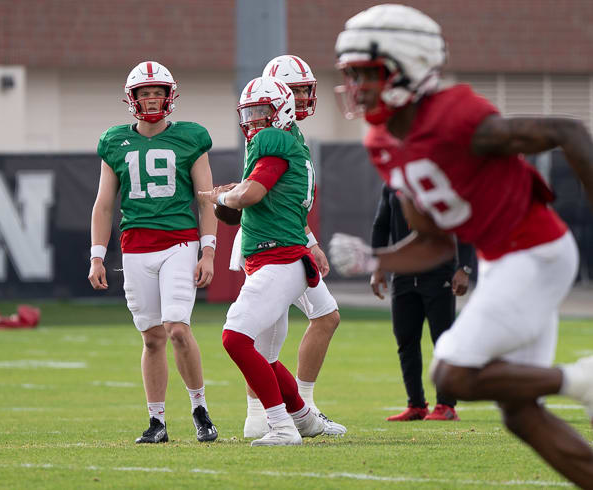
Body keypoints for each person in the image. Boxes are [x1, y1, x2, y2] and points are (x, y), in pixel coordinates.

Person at [329, 4, 593, 486]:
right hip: (505, 259)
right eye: (351, 75)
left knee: (451, 375)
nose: (356, 87)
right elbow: (432, 242)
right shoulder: (381, 141)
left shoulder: (455, 115)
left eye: (367, 73)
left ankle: (581, 381)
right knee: (519, 413)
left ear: (407, 66)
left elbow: (567, 131)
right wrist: (378, 258)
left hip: (534, 252)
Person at [88, 61, 218, 444]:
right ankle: (157, 421)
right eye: (144, 93)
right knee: (151, 338)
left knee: (177, 328)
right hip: (134, 247)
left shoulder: (191, 137)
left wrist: (207, 251)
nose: (151, 100)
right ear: (132, 99)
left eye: (157, 93)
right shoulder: (114, 140)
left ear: (169, 96)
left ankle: (199, 408)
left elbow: (206, 200)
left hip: (179, 241)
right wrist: (97, 255)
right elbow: (104, 205)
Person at [199, 76, 326, 446]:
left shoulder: (272, 142)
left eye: (261, 112)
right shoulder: (286, 144)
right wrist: (226, 195)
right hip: (282, 256)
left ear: (280, 111)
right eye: (250, 112)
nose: (254, 121)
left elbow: (252, 194)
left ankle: (281, 426)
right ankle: (302, 417)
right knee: (264, 354)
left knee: (235, 339)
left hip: (279, 258)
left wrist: (222, 199)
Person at [236, 54, 345, 438]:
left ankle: (295, 410)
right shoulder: (273, 135)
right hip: (271, 244)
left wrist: (310, 240)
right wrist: (227, 199)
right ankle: (271, 412)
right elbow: (260, 193)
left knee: (313, 319)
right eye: (293, 90)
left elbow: (286, 200)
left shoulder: (288, 134)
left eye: (303, 89)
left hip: (289, 240)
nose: (301, 97)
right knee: (258, 331)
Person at [371, 179, 476, 421]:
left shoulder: (438, 180)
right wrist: (378, 268)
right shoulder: (392, 184)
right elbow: (381, 225)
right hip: (403, 275)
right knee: (406, 341)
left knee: (443, 340)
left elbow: (462, 226)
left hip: (439, 273)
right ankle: (416, 405)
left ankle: (446, 405)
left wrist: (465, 268)